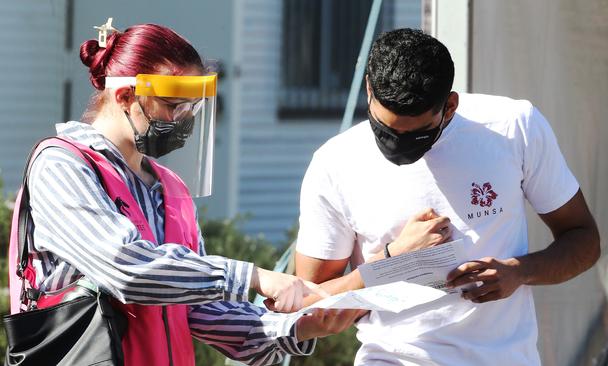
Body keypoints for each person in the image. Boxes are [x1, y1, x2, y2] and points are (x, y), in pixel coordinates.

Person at [8, 19, 357, 366]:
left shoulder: (168, 186)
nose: (184, 120)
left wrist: (297, 328)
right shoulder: (62, 166)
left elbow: (200, 309)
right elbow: (126, 268)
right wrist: (252, 276)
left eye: (192, 108)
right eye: (174, 106)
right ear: (124, 96)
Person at [294, 28, 601, 365]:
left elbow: (583, 240)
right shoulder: (335, 163)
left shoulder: (512, 127)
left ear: (450, 106)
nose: (396, 146)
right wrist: (394, 259)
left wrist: (519, 271)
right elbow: (309, 308)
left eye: (418, 135)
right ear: (369, 88)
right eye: (384, 131)